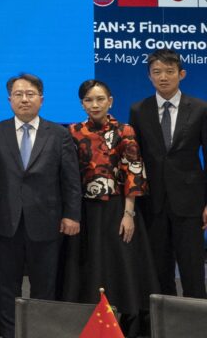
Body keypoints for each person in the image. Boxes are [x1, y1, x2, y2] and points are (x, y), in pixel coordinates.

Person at [0, 72, 81, 338]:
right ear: (9, 100)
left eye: (30, 94)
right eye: (18, 94)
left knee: (44, 287)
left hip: (47, 222)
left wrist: (72, 215)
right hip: (7, 222)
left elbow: (71, 179)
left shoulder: (59, 134)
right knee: (7, 287)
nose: (24, 99)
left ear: (41, 99)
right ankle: (10, 334)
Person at [63, 79, 157, 336]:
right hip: (84, 210)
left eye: (100, 99)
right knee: (86, 265)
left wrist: (129, 213)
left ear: (110, 101)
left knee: (120, 264)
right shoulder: (72, 132)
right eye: (89, 100)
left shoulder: (125, 130)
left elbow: (133, 173)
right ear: (82, 104)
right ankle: (87, 323)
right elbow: (69, 175)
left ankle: (125, 323)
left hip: (118, 209)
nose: (95, 104)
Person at [127, 48, 207, 298]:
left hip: (190, 203)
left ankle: (196, 320)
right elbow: (135, 160)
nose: (163, 77)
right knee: (159, 272)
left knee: (193, 270)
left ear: (181, 74)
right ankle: (163, 320)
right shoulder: (139, 110)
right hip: (153, 203)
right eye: (157, 72)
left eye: (169, 71)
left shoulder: (200, 108)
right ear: (149, 76)